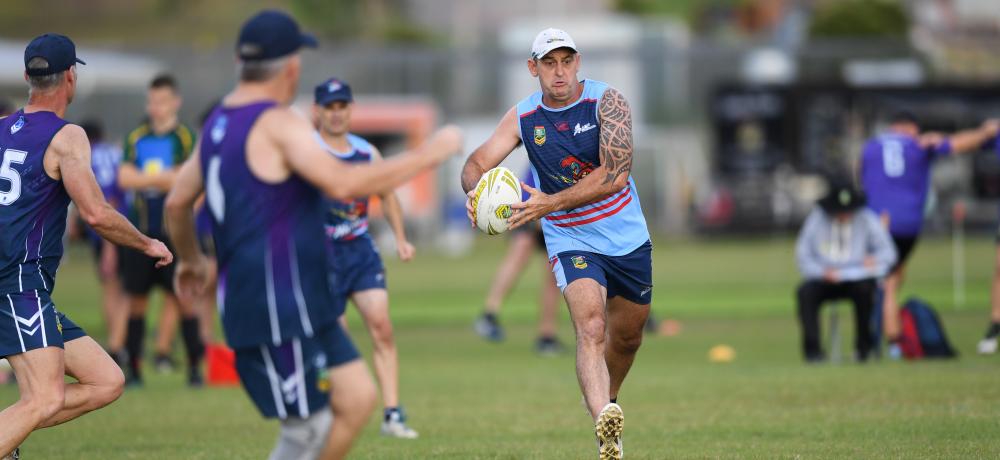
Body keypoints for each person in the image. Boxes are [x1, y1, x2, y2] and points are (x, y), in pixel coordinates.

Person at [164, 10, 462, 460]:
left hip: (302, 299)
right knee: (308, 430)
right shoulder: (278, 123)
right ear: (291, 67)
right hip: (274, 306)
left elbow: (175, 203)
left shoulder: (217, 125)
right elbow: (342, 183)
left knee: (358, 399)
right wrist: (430, 153)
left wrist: (189, 259)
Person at [460, 28, 651, 460]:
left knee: (627, 340)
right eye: (549, 63)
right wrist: (476, 195)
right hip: (570, 236)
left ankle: (609, 404)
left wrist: (550, 201)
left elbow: (615, 175)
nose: (559, 71)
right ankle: (603, 419)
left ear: (578, 62)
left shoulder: (608, 102)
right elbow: (476, 163)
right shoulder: (523, 117)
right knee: (591, 327)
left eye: (566, 61)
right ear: (534, 68)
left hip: (626, 235)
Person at [0, 33, 172, 459]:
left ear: (27, 77)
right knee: (45, 397)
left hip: (22, 284)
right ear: (71, 78)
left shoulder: (1, 129)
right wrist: (147, 242)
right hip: (17, 282)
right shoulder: (67, 136)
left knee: (106, 380)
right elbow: (95, 213)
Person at [311, 77, 419, 439]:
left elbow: (387, 195)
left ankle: (392, 415)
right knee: (335, 337)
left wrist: (401, 239)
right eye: (330, 107)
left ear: (350, 110)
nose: (337, 114)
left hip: (359, 250)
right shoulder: (306, 152)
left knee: (381, 326)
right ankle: (332, 411)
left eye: (343, 106)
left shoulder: (365, 153)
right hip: (320, 256)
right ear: (318, 111)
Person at [860, 112, 998, 359]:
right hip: (906, 221)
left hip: (875, 220)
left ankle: (877, 342)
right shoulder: (918, 143)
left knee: (882, 279)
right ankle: (889, 343)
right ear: (911, 127)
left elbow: (862, 180)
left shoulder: (871, 146)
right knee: (890, 282)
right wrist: (986, 132)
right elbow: (958, 144)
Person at [118, 74, 204, 385]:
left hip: (175, 233)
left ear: (175, 103)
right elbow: (125, 178)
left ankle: (195, 367)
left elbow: (190, 176)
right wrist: (165, 178)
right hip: (141, 233)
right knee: (137, 302)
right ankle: (134, 369)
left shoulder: (185, 138)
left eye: (163, 101)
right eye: (152, 101)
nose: (157, 107)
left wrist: (148, 178)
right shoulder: (137, 137)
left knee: (184, 298)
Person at [795, 183, 897, 363]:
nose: (844, 215)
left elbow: (889, 253)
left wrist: (875, 260)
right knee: (805, 292)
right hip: (825, 277)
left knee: (866, 291)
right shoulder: (816, 220)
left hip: (857, 278)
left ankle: (864, 349)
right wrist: (821, 272)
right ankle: (813, 353)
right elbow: (802, 255)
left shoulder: (866, 218)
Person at [473, 166, 566, 355]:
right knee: (520, 252)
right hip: (529, 200)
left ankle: (546, 336)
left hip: (554, 206)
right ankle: (490, 314)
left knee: (553, 270)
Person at [79, 119, 129, 362]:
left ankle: (116, 344)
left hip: (109, 231)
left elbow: (108, 201)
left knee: (113, 289)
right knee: (121, 289)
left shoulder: (90, 157)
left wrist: (109, 247)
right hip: (127, 228)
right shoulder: (115, 153)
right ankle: (119, 344)